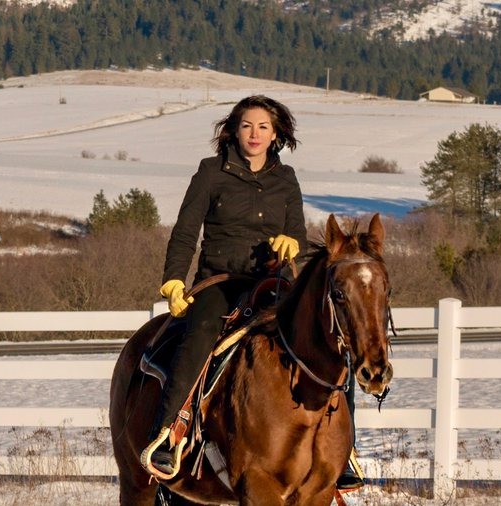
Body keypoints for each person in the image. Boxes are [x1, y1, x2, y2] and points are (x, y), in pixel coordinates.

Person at [142, 95, 362, 490]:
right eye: (247, 126)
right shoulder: (211, 172)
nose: (254, 134)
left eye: (263, 127)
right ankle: (170, 431)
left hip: (274, 281)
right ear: (234, 130)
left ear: (276, 134)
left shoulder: (286, 177)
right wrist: (174, 278)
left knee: (332, 338)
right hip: (221, 281)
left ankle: (345, 450)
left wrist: (291, 242)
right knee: (202, 332)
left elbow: (296, 229)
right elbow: (186, 230)